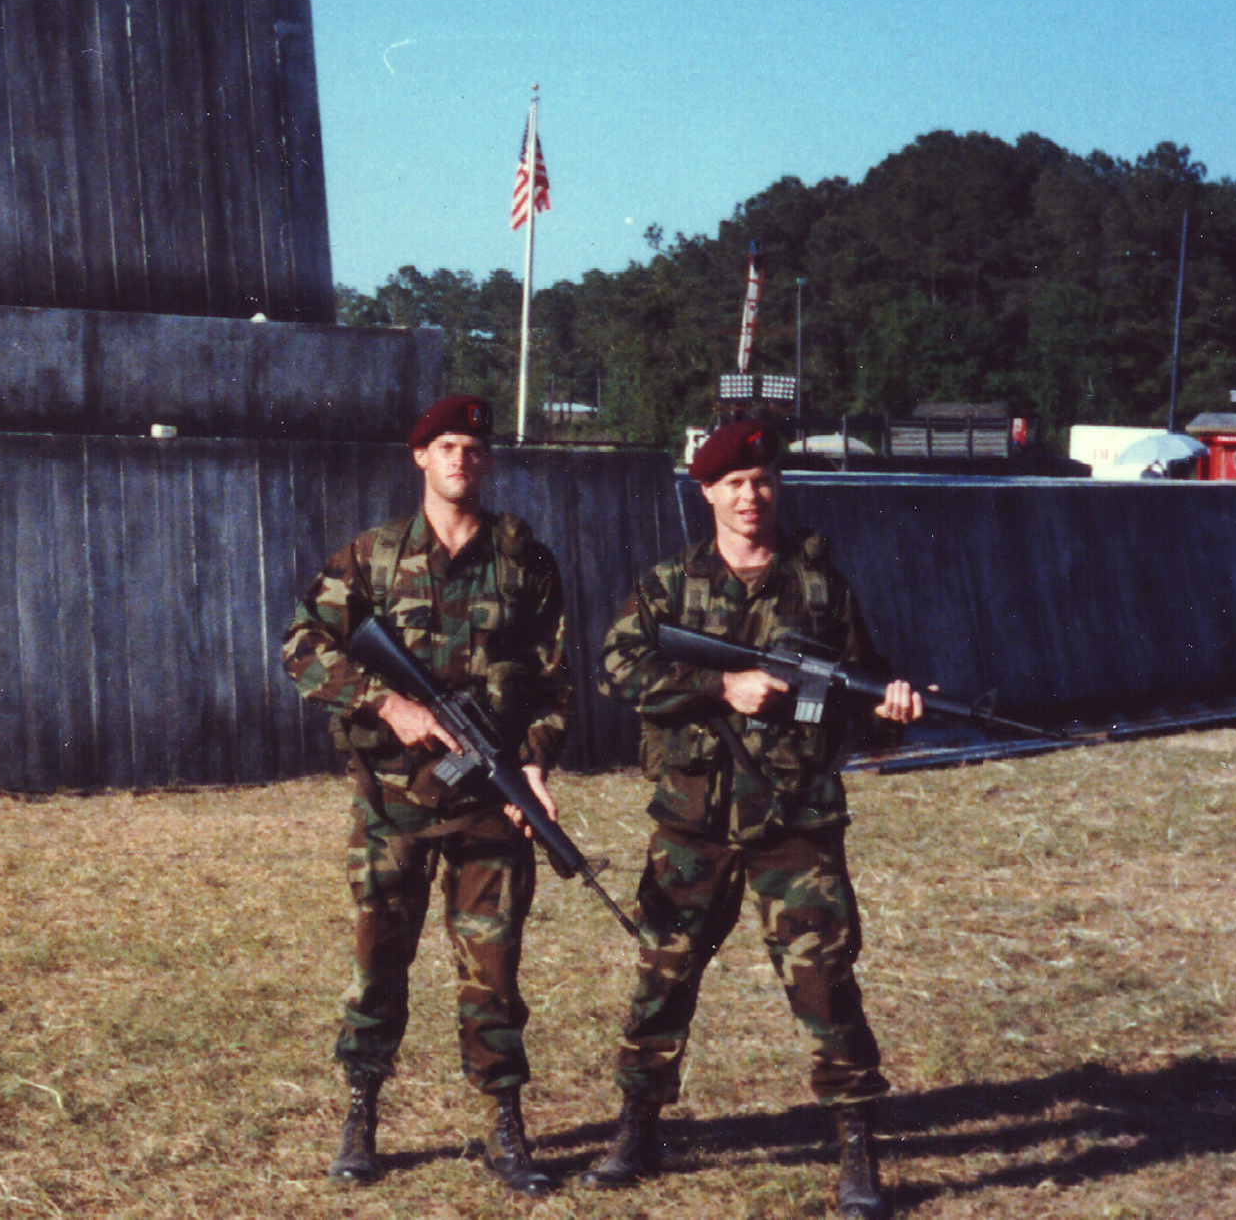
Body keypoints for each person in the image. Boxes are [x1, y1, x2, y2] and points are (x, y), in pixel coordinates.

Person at [587, 418, 921, 1219]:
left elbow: (855, 700)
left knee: (823, 981)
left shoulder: (821, 588)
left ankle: (856, 1148)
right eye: (732, 483)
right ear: (705, 492)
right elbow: (618, 668)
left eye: (762, 479)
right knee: (662, 977)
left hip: (794, 821)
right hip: (691, 819)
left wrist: (891, 710)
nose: (750, 495)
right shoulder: (668, 585)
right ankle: (637, 1127)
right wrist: (721, 687)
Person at [281, 393, 573, 1196]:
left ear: (488, 460)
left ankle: (505, 1124)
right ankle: (360, 1112)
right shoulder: (370, 558)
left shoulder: (526, 564)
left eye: (473, 448)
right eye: (444, 445)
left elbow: (553, 683)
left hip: (489, 804)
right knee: (378, 961)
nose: (459, 459)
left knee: (494, 970)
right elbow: (301, 644)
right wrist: (387, 702)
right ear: (420, 457)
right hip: (392, 805)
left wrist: (537, 765)